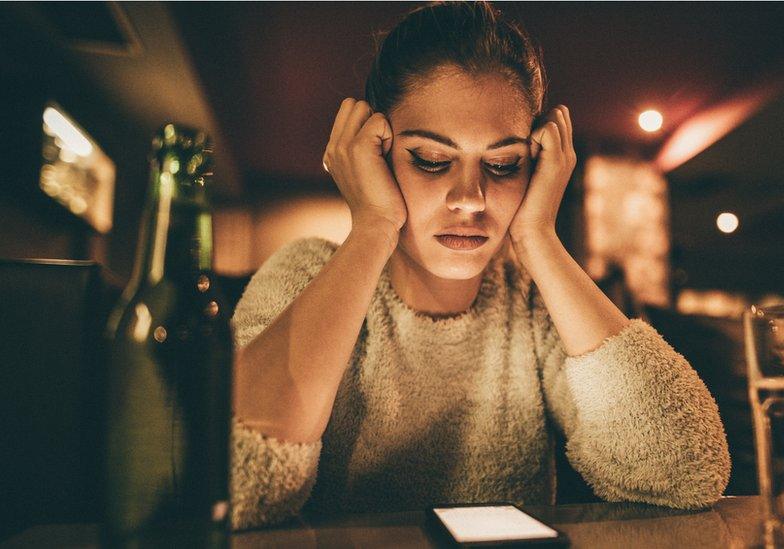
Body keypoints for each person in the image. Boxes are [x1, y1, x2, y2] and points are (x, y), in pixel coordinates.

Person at [230, 1, 730, 530]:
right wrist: (372, 227)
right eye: (430, 159)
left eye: (502, 164)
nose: (470, 198)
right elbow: (233, 485)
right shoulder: (308, 271)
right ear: (373, 156)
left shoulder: (536, 304)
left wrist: (538, 238)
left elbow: (685, 474)